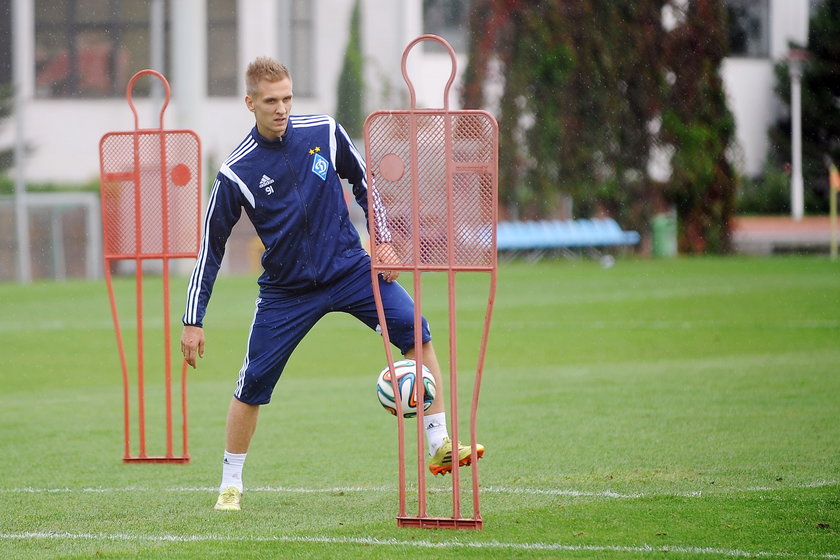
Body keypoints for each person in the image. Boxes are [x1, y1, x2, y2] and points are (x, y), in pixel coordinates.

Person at [180, 56, 484, 512]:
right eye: (270, 101)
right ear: (250, 103)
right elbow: (211, 247)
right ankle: (230, 484)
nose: (281, 108)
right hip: (287, 292)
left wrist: (382, 241)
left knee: (415, 330)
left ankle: (438, 443)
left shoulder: (323, 130)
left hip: (350, 270)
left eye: (286, 98)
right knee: (253, 383)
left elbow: (366, 182)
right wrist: (193, 320)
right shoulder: (235, 173)